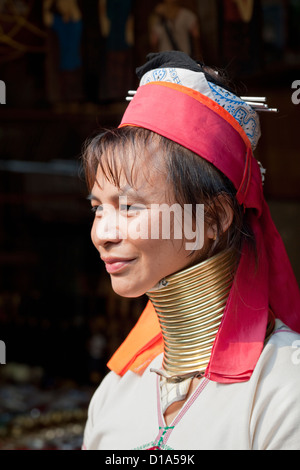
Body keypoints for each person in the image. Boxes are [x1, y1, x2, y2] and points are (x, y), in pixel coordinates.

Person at [81, 51, 300, 450]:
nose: (103, 234)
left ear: (213, 218)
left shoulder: (283, 387)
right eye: (98, 208)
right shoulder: (116, 392)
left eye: (129, 206)